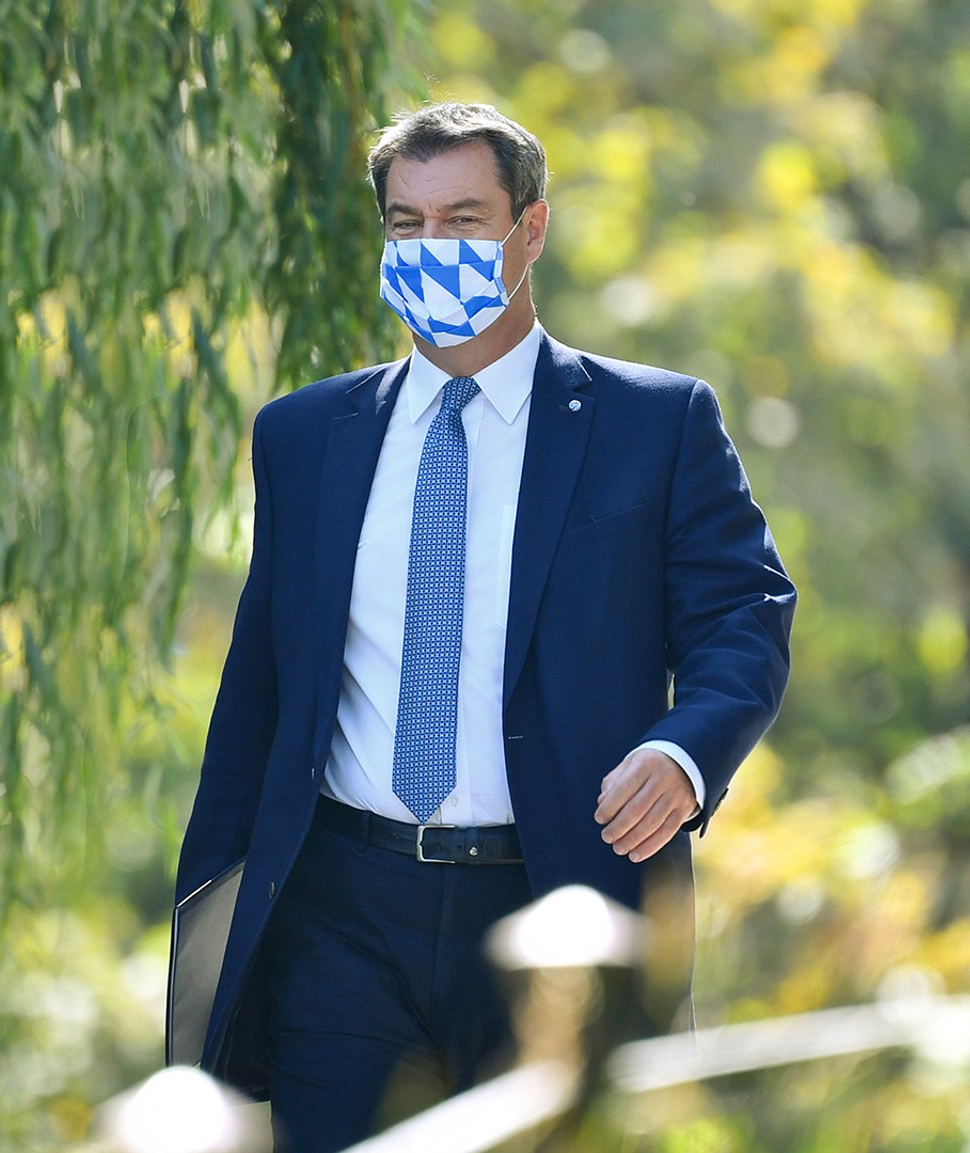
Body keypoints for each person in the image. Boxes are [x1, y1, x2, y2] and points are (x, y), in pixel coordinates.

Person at [174, 102, 796, 1151]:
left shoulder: (652, 423)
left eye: (463, 220)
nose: (432, 249)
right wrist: (209, 905)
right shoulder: (301, 436)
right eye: (405, 225)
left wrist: (684, 753)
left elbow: (743, 611)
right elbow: (261, 688)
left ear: (529, 230)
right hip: (338, 909)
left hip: (553, 899)